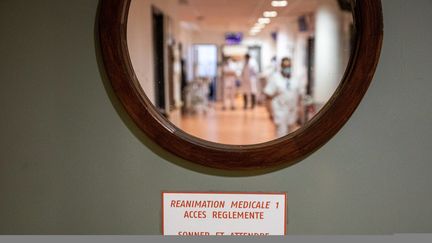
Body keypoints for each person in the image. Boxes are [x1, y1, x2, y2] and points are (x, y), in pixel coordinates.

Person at [264, 57, 299, 138]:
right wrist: (271, 113)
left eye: (289, 66)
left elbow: (298, 94)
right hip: (280, 112)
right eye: (285, 66)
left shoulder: (295, 78)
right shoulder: (275, 78)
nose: (287, 68)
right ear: (281, 67)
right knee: (281, 136)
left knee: (292, 136)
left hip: (292, 111)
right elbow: (268, 95)